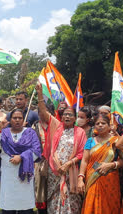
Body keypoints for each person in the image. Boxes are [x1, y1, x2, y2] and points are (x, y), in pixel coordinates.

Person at [36, 82, 86, 214]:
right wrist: (40, 94)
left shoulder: (80, 132)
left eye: (70, 115)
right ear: (61, 117)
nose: (67, 116)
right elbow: (43, 112)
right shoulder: (57, 127)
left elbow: (81, 153)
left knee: (71, 201)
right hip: (55, 172)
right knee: (54, 200)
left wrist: (68, 164)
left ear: (75, 118)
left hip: (71, 173)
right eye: (65, 114)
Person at [0, 109, 41, 213]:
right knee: (8, 207)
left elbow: (37, 152)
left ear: (23, 120)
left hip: (24, 176)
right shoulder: (4, 133)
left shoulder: (30, 133)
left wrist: (21, 157)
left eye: (20, 118)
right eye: (14, 118)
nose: (17, 120)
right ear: (10, 120)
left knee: (25, 208)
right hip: (8, 178)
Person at [77, 115, 123, 213]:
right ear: (94, 126)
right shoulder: (90, 141)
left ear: (109, 126)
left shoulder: (116, 141)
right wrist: (81, 178)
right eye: (97, 123)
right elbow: (85, 161)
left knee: (109, 207)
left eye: (103, 123)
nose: (100, 125)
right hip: (92, 179)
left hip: (111, 180)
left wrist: (111, 165)